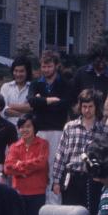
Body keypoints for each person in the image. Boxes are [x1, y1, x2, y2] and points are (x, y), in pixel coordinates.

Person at [52, 89, 108, 215]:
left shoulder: (104, 130)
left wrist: (103, 177)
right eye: (84, 106)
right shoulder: (70, 127)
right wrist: (56, 181)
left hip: (93, 179)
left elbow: (107, 158)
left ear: (96, 107)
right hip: (72, 178)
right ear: (80, 107)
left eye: (91, 106)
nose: (87, 110)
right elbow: (60, 154)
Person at [3, 115, 50, 215]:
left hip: (37, 192)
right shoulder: (14, 146)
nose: (25, 130)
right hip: (19, 193)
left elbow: (41, 163)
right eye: (22, 127)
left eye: (28, 126)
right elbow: (7, 167)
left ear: (34, 128)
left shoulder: (43, 144)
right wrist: (27, 168)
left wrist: (20, 167)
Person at [28, 50, 75, 192]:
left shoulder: (65, 84)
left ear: (56, 66)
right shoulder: (36, 84)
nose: (46, 69)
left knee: (56, 167)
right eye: (43, 66)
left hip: (57, 131)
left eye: (49, 66)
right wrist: (49, 100)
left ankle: (55, 202)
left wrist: (41, 102)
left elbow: (65, 104)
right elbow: (31, 101)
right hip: (40, 130)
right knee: (39, 166)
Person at [0, 56, 34, 122]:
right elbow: (3, 109)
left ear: (27, 72)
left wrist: (11, 106)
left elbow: (32, 108)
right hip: (8, 128)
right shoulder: (6, 87)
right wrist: (22, 115)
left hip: (27, 129)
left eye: (21, 71)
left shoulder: (33, 87)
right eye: (16, 71)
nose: (18, 74)